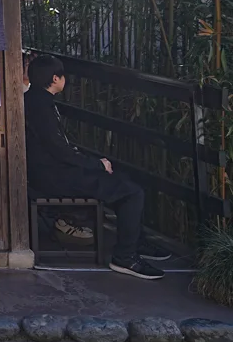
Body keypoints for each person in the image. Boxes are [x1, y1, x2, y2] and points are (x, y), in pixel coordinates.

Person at [24, 54, 172, 279]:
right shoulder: (40, 106)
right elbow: (59, 150)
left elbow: (58, 148)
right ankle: (125, 257)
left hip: (50, 171)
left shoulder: (34, 101)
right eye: (63, 77)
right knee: (132, 192)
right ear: (56, 78)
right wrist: (95, 164)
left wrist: (93, 164)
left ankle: (134, 244)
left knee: (126, 181)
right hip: (55, 176)